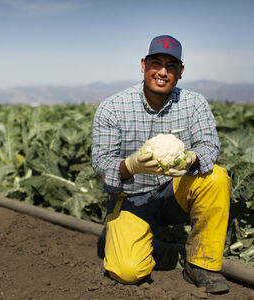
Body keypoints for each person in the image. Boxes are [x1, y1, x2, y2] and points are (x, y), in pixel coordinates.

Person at [91, 35, 231, 294]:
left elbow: (210, 146)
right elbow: (101, 163)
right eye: (156, 63)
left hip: (174, 193)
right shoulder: (112, 108)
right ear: (144, 65)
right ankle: (159, 247)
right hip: (131, 199)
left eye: (171, 66)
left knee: (216, 177)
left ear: (181, 72)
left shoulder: (195, 103)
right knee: (128, 271)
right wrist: (130, 166)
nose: (163, 72)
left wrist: (192, 158)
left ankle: (201, 265)